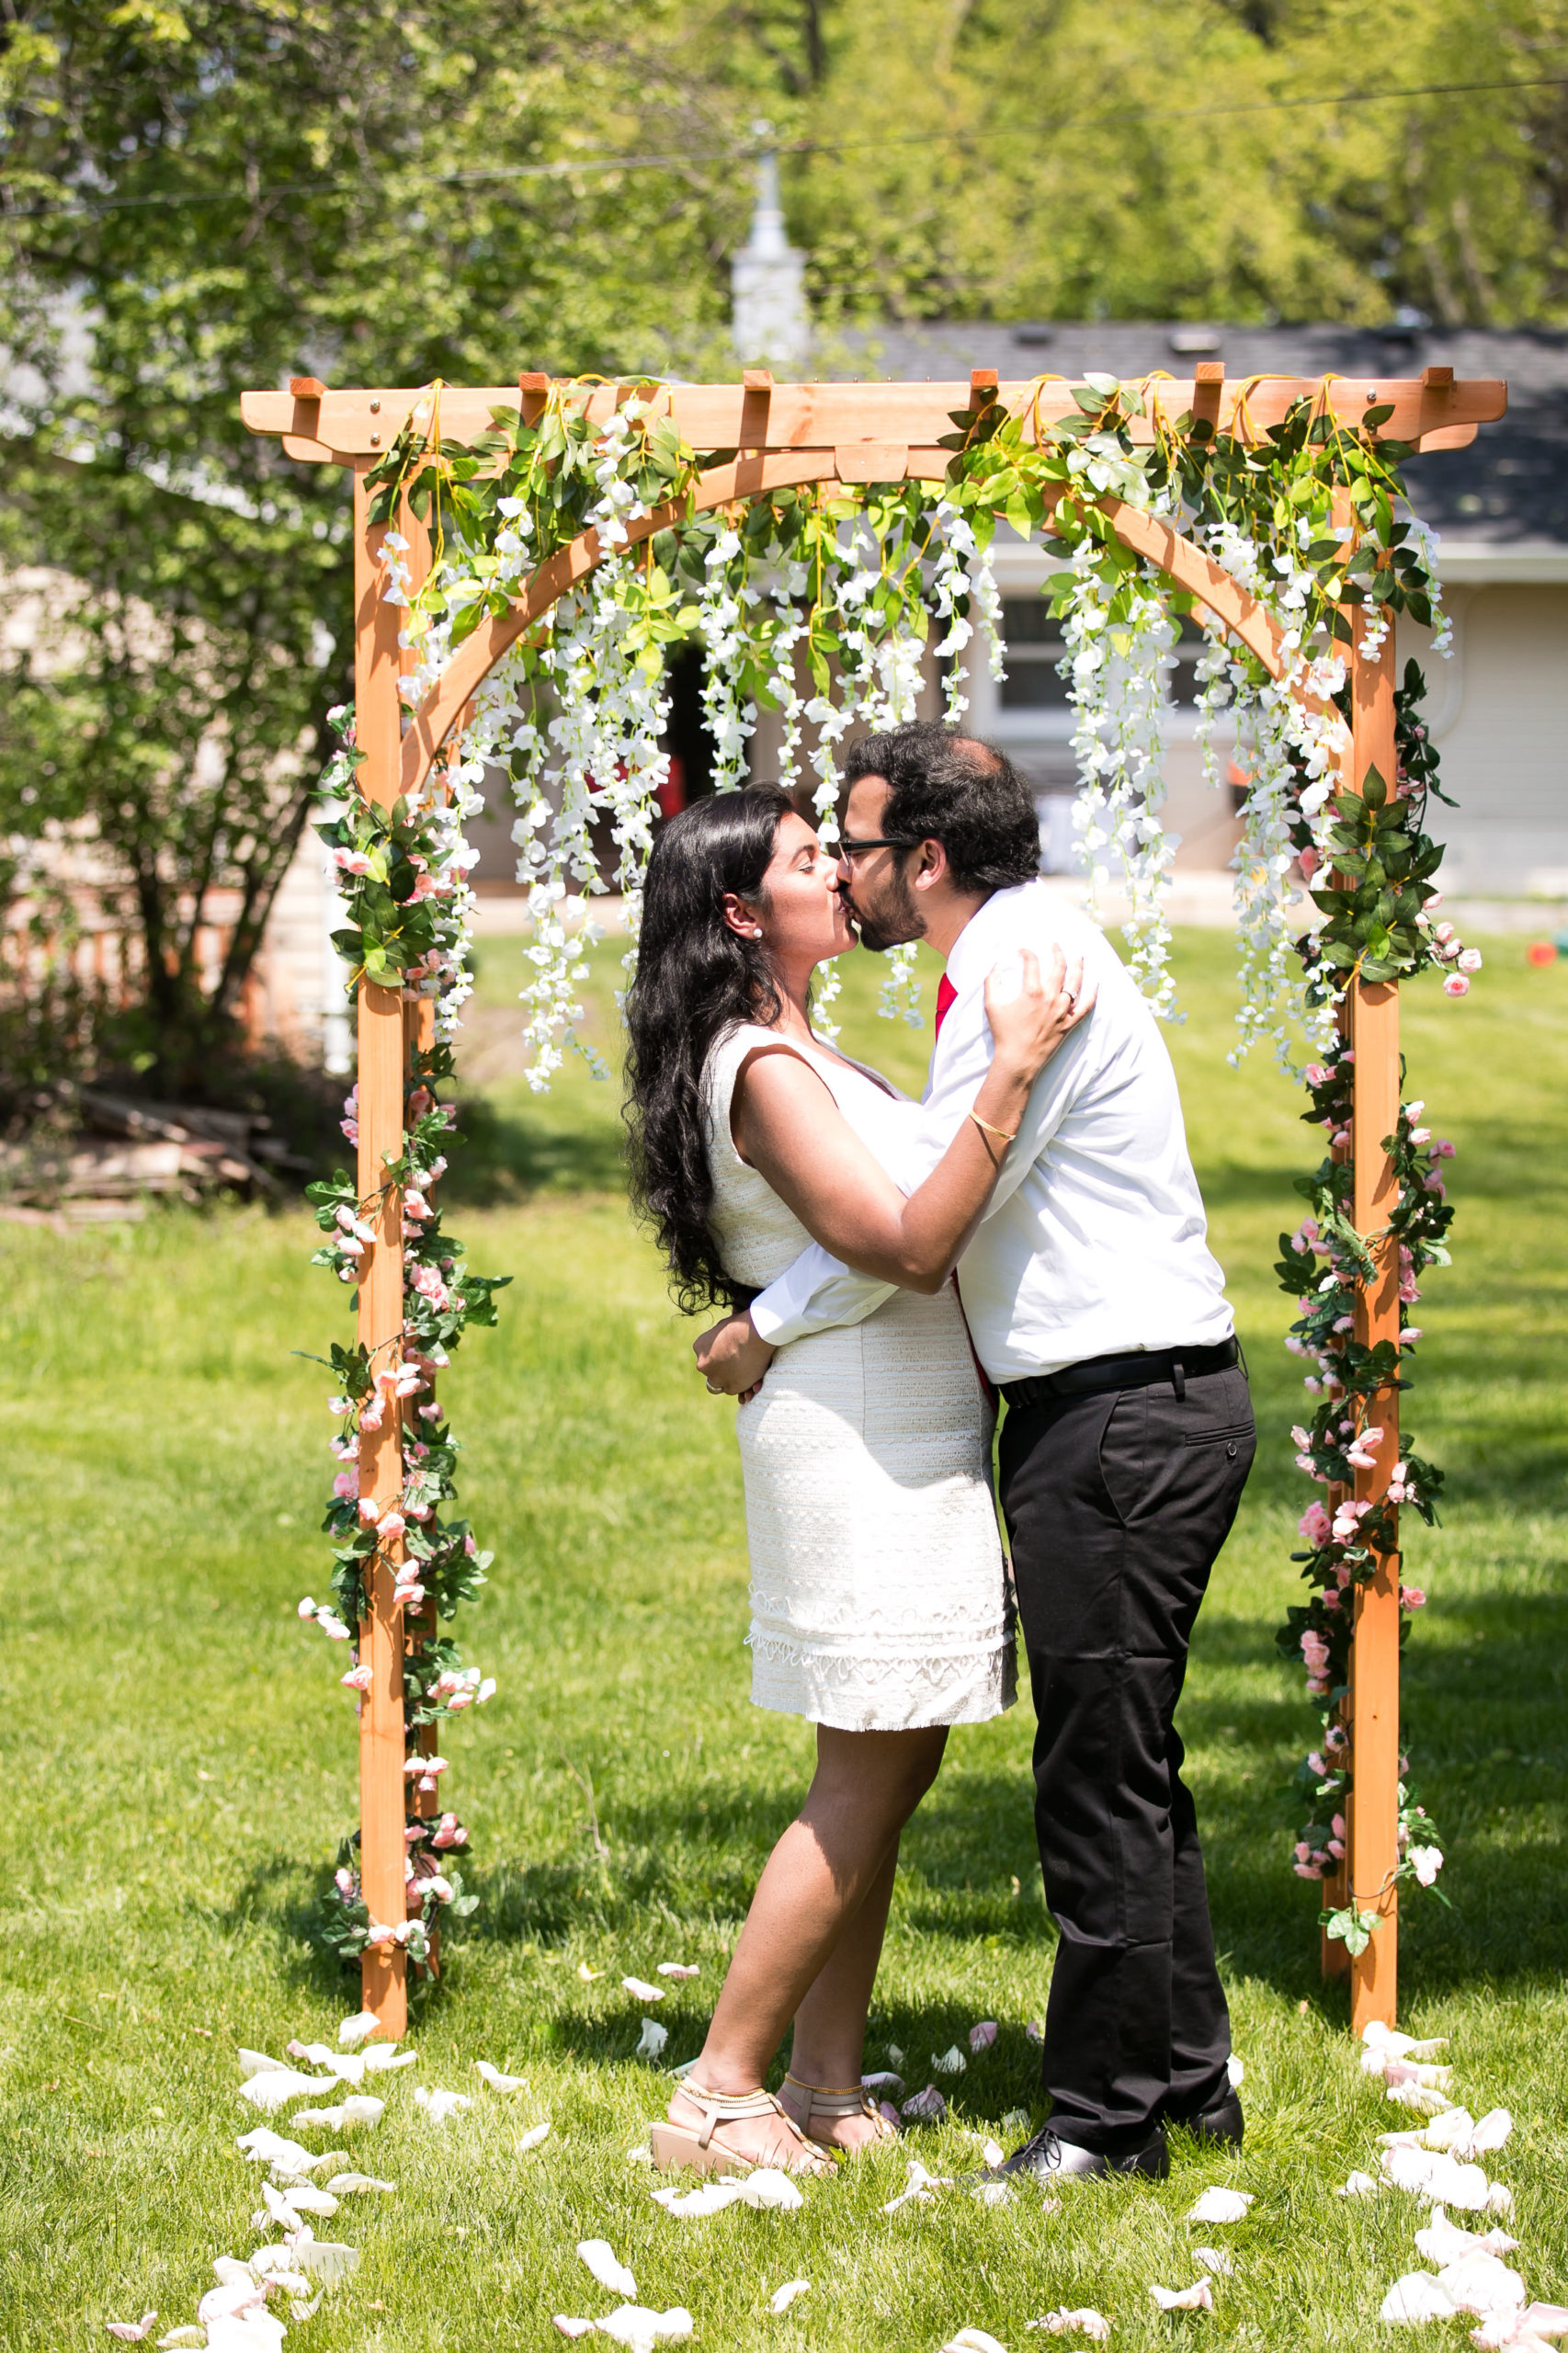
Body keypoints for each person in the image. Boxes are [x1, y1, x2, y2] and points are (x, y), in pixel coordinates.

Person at [698, 722, 1255, 2186]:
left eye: (857, 849)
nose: (848, 875)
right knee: (1125, 1759)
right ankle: (1185, 2082)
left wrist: (765, 1320)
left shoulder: (1015, 974)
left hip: (1125, 1409)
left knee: (1096, 1778)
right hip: (1118, 1406)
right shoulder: (1001, 959)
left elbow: (915, 1222)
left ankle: (1106, 2121)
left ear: (922, 860)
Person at [622, 781, 1092, 2178]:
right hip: (855, 1435)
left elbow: (866, 1252)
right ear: (739, 911)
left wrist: (760, 1324)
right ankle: (716, 2094)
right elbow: (901, 1245)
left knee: (889, 1757)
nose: (839, 871)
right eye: (805, 857)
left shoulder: (808, 1054)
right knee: (864, 1773)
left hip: (902, 1423)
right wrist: (1007, 1071)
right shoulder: (760, 1070)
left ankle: (824, 2082)